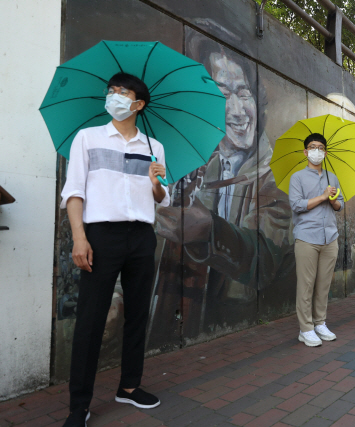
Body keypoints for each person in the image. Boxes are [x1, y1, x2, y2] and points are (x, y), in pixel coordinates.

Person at [150, 37, 295, 344]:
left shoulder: (277, 176)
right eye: (222, 94)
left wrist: (209, 231)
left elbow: (264, 258)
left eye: (244, 94)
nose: (238, 109)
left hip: (241, 335)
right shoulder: (194, 168)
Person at [60, 73, 169, 427]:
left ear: (138, 104)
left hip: (141, 236)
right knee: (90, 320)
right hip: (100, 236)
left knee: (138, 314)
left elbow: (161, 199)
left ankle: (130, 386)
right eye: (111, 91)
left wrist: (156, 184)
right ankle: (79, 405)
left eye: (123, 93)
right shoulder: (88, 138)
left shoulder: (154, 147)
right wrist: (79, 237)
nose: (114, 97)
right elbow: (74, 192)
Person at [289, 133, 344, 346]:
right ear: (305, 152)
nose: (316, 151)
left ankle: (320, 322)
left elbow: (340, 205)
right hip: (307, 237)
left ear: (325, 152)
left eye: (320, 148)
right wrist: (322, 196)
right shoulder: (298, 178)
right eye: (312, 147)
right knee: (306, 284)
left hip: (330, 237)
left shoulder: (333, 177)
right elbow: (296, 205)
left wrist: (332, 200)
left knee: (323, 284)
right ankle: (306, 328)